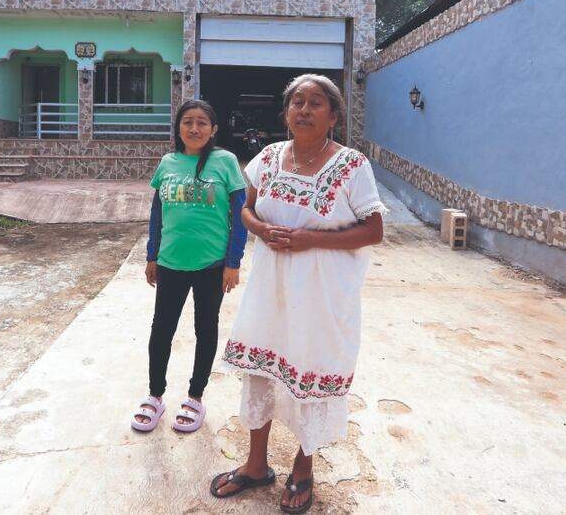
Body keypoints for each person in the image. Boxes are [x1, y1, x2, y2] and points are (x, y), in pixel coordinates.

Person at [209, 74, 385, 514]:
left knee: (309, 372)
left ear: (334, 115)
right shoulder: (268, 158)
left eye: (316, 103)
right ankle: (254, 465)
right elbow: (245, 208)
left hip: (321, 295)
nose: (304, 110)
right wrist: (260, 228)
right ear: (286, 113)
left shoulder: (351, 165)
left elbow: (374, 229)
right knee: (261, 370)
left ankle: (303, 469)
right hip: (269, 290)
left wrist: (312, 240)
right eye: (297, 102)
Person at [130, 99, 248, 434]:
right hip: (170, 263)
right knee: (161, 330)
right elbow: (157, 214)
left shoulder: (225, 162)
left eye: (201, 123)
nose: (194, 129)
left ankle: (195, 397)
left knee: (205, 329)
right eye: (187, 122)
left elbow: (240, 217)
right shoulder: (168, 162)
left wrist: (233, 262)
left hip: (211, 266)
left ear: (213, 129)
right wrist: (152, 255)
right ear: (178, 128)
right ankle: (155, 395)